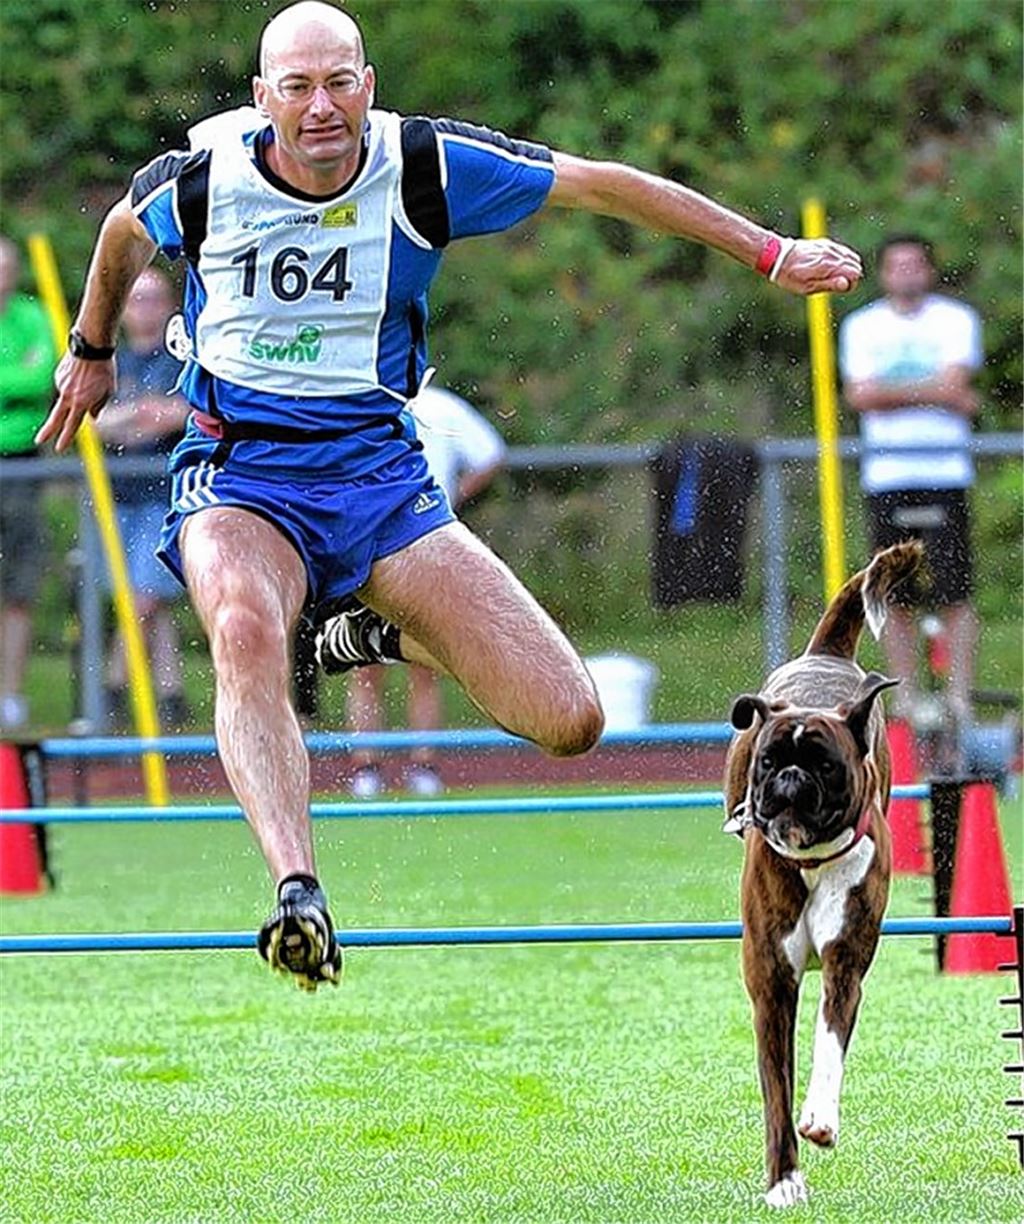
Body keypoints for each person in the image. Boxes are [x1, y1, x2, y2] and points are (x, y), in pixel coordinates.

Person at [37, 1, 862, 991]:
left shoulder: (424, 168)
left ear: (368, 86)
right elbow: (124, 231)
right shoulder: (209, 183)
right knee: (245, 626)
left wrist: (769, 254)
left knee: (569, 719)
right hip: (239, 468)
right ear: (263, 101)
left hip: (380, 476)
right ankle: (298, 890)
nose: (320, 107)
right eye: (296, 87)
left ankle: (355, 634)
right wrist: (89, 352)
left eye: (339, 80)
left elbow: (602, 188)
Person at [839, 234, 983, 734]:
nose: (906, 274)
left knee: (955, 590)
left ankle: (957, 698)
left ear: (929, 270)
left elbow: (956, 384)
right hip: (888, 476)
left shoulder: (955, 321)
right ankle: (905, 701)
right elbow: (861, 395)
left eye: (915, 265)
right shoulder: (863, 326)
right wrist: (936, 393)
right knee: (892, 595)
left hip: (945, 473)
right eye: (896, 266)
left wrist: (894, 392)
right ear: (883, 274)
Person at [345, 383, 507, 798]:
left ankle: (412, 767)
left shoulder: (433, 407)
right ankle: (377, 768)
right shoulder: (361, 403)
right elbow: (490, 454)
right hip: (373, 548)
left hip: (415, 549)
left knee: (416, 668)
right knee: (371, 668)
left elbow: (489, 452)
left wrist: (448, 498)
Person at [95, 267, 192, 729]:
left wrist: (135, 418)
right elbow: (94, 422)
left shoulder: (180, 357)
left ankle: (111, 688)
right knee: (140, 597)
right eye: (136, 299)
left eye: (154, 299)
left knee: (146, 598)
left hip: (163, 493)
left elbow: (179, 414)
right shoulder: (112, 360)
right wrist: (136, 414)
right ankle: (171, 694)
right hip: (117, 496)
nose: (145, 309)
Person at [0, 236, 57, 731]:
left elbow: (40, 379)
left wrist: (13, 386)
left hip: (22, 464)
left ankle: (11, 695)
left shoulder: (31, 316)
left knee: (19, 586)